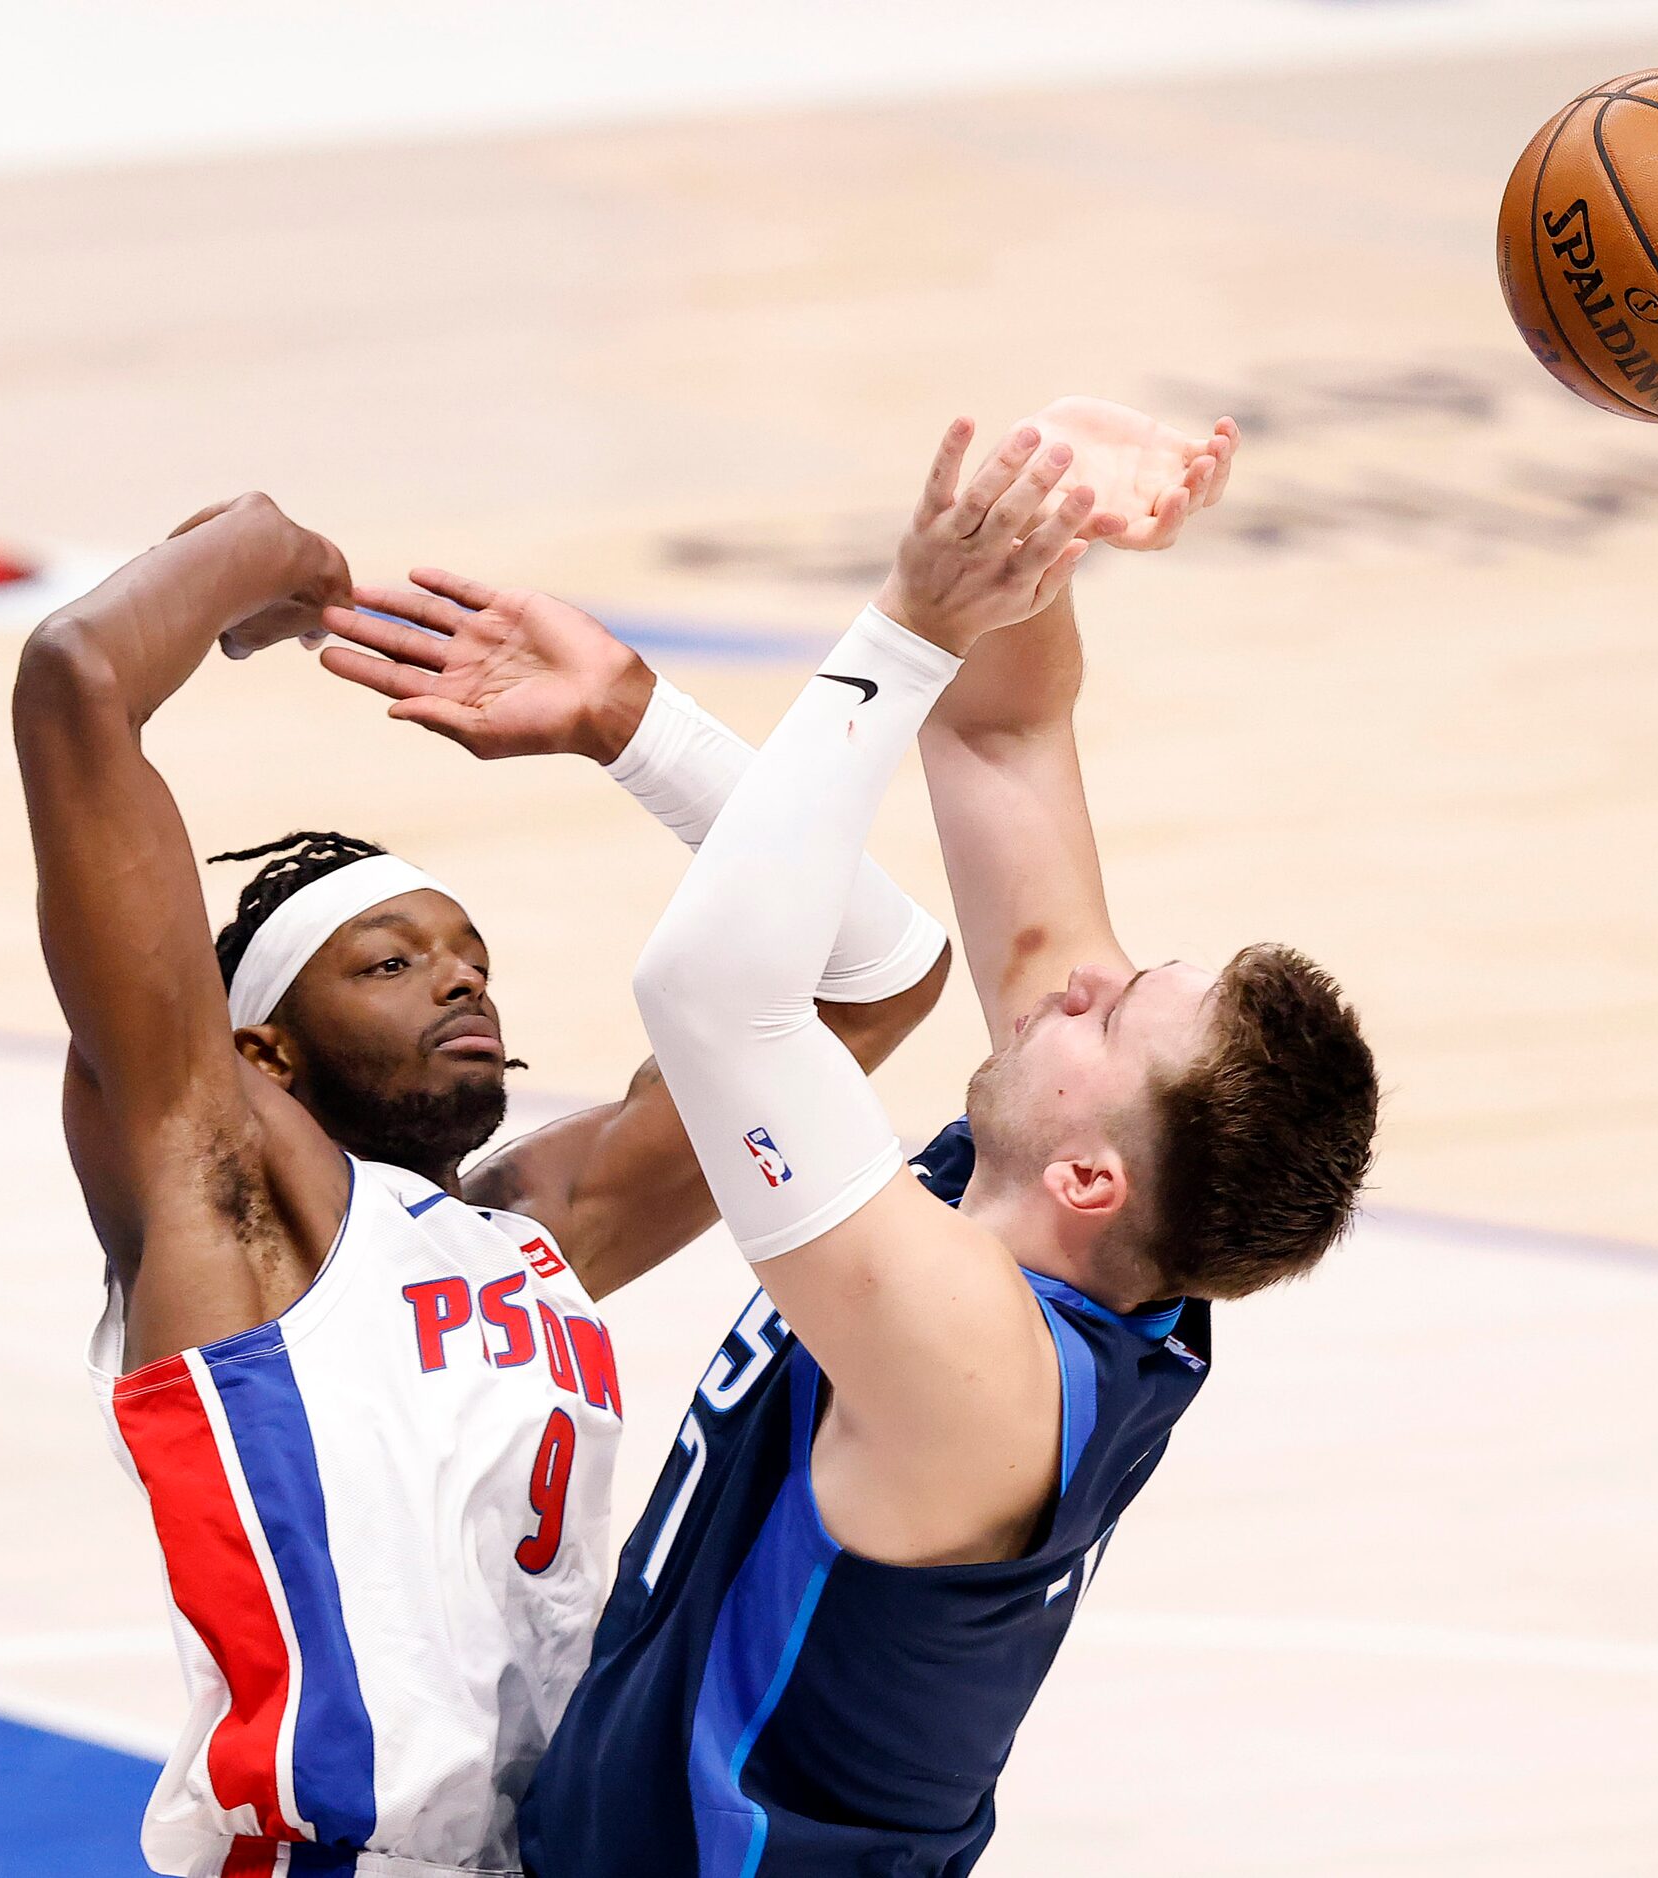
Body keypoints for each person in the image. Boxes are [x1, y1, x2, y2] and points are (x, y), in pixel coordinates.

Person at [318, 398, 1379, 1875]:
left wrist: (904, 623)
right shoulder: (1091, 1206)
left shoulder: (977, 1359)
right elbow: (1005, 734)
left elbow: (712, 996)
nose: (1076, 974)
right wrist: (1049, 507)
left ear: (1090, 1173)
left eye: (1111, 1009)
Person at [11, 492, 949, 1878]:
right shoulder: (229, 1185)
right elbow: (75, 682)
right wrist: (273, 552)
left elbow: (877, 974)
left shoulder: (532, 1231)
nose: (456, 974)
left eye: (468, 953)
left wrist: (633, 724)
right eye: (386, 961)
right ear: (259, 1047)